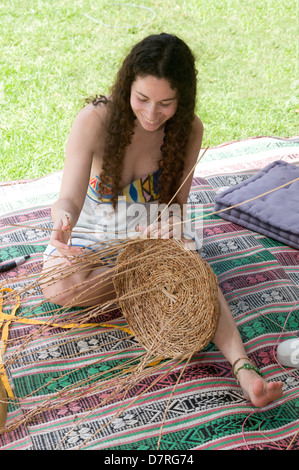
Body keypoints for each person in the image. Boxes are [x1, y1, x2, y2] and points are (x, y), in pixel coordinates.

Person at [41, 33, 283, 408]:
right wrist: (63, 220)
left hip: (149, 233)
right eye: (142, 99)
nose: (152, 113)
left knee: (192, 271)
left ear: (182, 99)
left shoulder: (190, 129)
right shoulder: (95, 120)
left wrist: (171, 231)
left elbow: (177, 206)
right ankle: (150, 281)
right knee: (58, 288)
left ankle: (243, 368)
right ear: (127, 88)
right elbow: (68, 197)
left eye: (166, 103)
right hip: (93, 228)